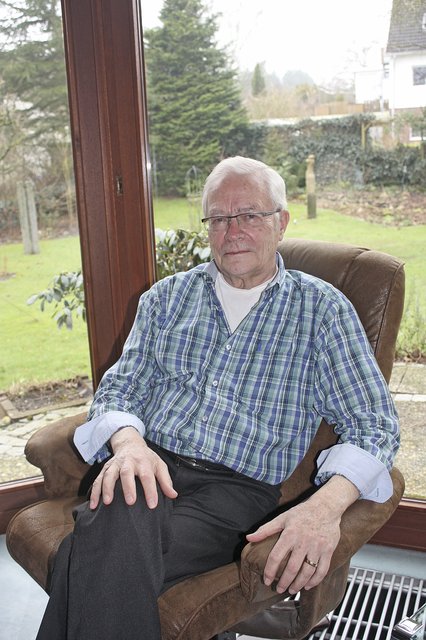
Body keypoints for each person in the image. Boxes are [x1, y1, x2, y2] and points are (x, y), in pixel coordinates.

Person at [36, 156, 399, 640]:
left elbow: (374, 425)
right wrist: (128, 445)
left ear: (281, 222)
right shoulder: (165, 300)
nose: (232, 231)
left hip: (237, 491)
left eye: (249, 214)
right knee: (116, 523)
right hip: (150, 463)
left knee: (87, 554)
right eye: (219, 218)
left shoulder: (322, 311)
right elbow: (120, 387)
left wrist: (323, 507)